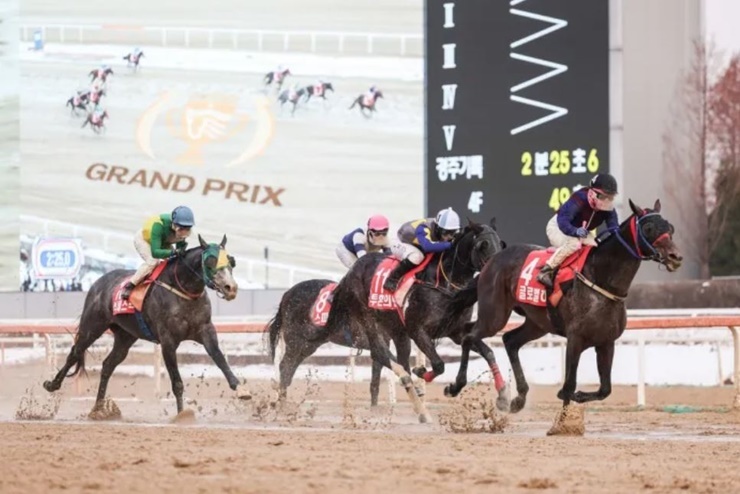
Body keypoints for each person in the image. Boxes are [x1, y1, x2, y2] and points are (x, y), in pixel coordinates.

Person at [537, 173, 620, 288]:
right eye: (602, 197)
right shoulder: (579, 198)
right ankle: (546, 270)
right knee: (574, 244)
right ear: (592, 192)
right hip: (558, 227)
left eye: (610, 198)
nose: (606, 201)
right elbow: (563, 220)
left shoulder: (609, 209)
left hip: (581, 231)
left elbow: (614, 228)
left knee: (596, 249)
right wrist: (575, 231)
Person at [121, 206, 195, 300]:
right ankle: (131, 285)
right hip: (145, 240)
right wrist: (173, 252)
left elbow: (179, 247)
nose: (185, 232)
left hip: (164, 241)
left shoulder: (183, 230)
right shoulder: (158, 226)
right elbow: (155, 252)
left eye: (187, 228)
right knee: (153, 261)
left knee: (176, 261)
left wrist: (180, 251)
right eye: (182, 228)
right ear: (174, 224)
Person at [383, 207, 460, 292]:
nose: (449, 236)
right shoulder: (424, 228)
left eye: (452, 232)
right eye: (446, 232)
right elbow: (427, 247)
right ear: (438, 227)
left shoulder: (439, 230)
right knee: (417, 256)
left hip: (416, 244)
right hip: (401, 241)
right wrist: (450, 244)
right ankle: (392, 278)